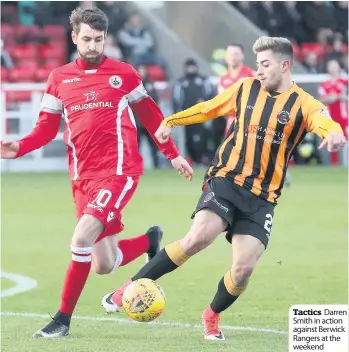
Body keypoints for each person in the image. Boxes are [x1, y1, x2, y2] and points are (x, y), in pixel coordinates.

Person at [102, 36, 346, 341]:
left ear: (285, 66)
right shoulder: (245, 88)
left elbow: (326, 122)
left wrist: (335, 134)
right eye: (257, 64)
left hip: (262, 198)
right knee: (198, 237)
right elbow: (208, 108)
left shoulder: (304, 104)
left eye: (265, 65)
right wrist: (171, 121)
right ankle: (129, 287)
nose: (258, 70)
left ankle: (211, 315)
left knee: (243, 270)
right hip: (227, 179)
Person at [0, 6, 193, 339]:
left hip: (119, 171)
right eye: (86, 39)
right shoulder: (58, 79)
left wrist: (172, 154)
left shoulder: (124, 74)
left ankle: (61, 320)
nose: (92, 46)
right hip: (82, 178)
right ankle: (150, 240)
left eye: (99, 40)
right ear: (74, 37)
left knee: (80, 239)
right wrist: (18, 147)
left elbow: (150, 114)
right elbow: (45, 130)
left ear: (106, 39)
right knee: (103, 263)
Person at [172, 58, 215, 166]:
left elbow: (211, 95)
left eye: (192, 66)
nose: (191, 69)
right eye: (189, 67)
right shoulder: (181, 82)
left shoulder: (204, 80)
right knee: (188, 138)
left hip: (203, 115)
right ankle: (191, 159)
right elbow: (176, 99)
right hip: (187, 116)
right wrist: (176, 114)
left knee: (204, 137)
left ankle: (204, 158)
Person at [318, 59, 348, 165]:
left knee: (346, 137)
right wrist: (328, 99)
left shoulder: (345, 82)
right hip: (331, 117)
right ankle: (334, 164)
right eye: (331, 66)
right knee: (333, 139)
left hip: (344, 115)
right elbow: (320, 100)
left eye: (335, 65)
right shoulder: (324, 84)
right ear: (328, 68)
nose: (333, 68)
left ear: (339, 67)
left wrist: (339, 97)